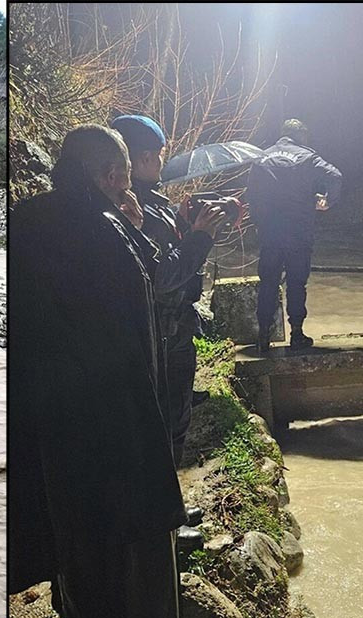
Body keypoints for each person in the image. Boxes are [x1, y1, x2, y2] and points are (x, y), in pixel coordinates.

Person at [8, 124, 187, 618]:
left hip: (40, 412)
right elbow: (140, 336)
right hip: (106, 416)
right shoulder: (107, 236)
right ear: (114, 176)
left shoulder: (26, 219)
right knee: (109, 537)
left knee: (66, 531)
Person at [111, 115, 230, 466]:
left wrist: (185, 221)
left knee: (160, 419)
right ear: (146, 158)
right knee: (170, 423)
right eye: (160, 154)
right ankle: (169, 514)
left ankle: (160, 506)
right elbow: (163, 276)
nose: (162, 161)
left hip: (159, 331)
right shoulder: (135, 208)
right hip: (164, 332)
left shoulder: (141, 202)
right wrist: (201, 235)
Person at [246, 118, 342, 352]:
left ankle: (263, 337)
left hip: (271, 233)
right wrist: (327, 201)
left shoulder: (262, 157)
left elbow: (252, 195)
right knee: (297, 283)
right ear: (302, 136)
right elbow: (336, 176)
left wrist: (259, 223)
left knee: (268, 283)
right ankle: (297, 334)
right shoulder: (308, 156)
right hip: (299, 232)